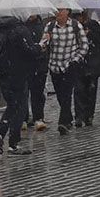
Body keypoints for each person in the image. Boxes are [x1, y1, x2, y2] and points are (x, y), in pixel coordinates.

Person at [0, 15, 42, 156]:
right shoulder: (20, 30)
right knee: (19, 107)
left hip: (2, 74)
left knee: (12, 105)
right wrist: (40, 46)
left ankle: (0, 135)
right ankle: (13, 143)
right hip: (18, 74)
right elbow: (30, 51)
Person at [40, 7, 88, 135]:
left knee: (67, 94)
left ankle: (63, 122)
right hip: (54, 66)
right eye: (57, 10)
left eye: (61, 10)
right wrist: (45, 42)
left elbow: (84, 45)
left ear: (67, 12)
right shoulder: (50, 26)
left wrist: (76, 59)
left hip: (69, 65)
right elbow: (43, 44)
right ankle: (68, 117)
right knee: (60, 95)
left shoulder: (75, 26)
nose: (59, 13)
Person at [73, 11, 100, 128]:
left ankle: (89, 115)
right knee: (79, 90)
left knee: (91, 90)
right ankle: (79, 116)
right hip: (79, 62)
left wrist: (90, 34)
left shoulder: (93, 25)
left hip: (92, 63)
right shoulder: (73, 27)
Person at [24, 14, 50, 131]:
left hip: (40, 64)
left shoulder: (43, 27)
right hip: (25, 65)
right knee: (24, 93)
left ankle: (38, 117)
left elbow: (47, 46)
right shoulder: (22, 27)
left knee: (38, 93)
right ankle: (23, 118)